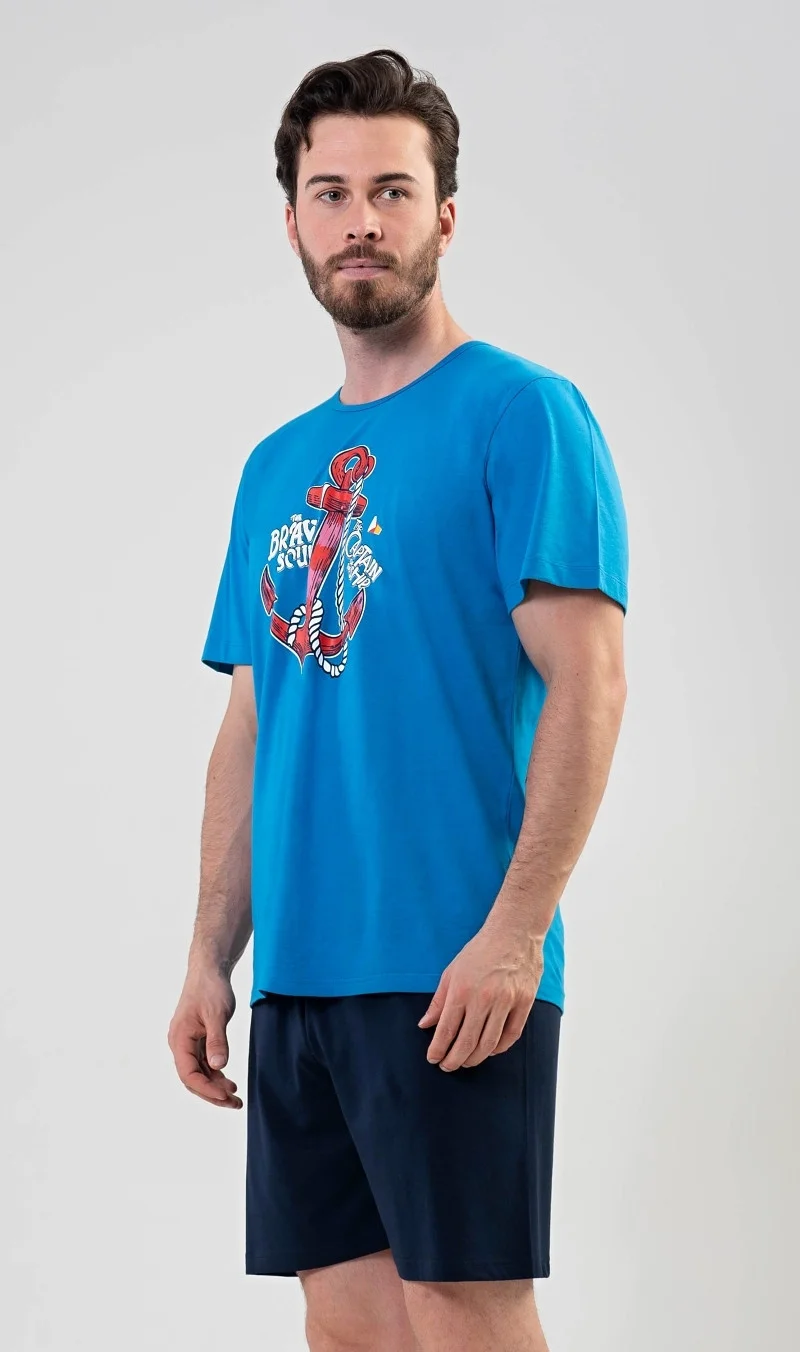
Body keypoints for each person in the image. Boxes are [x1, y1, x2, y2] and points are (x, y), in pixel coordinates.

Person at [167, 47, 629, 1352]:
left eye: (391, 190)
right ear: (294, 221)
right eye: (330, 192)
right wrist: (209, 953)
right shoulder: (276, 466)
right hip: (302, 976)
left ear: (445, 215)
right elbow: (254, 721)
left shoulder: (522, 415)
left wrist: (515, 935)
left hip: (452, 966)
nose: (359, 220)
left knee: (464, 1315)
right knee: (349, 1325)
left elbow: (590, 678)